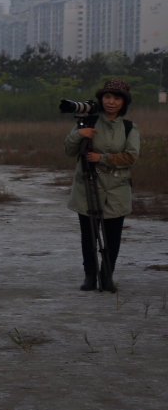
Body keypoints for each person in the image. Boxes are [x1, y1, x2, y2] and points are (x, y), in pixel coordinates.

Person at [64, 79, 139, 293]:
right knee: (89, 236)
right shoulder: (88, 122)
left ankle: (107, 276)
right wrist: (78, 134)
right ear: (101, 99)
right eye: (107, 97)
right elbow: (68, 151)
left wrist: (102, 158)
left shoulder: (129, 127)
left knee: (112, 237)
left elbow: (131, 156)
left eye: (116, 98)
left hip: (117, 190)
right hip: (87, 189)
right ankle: (90, 276)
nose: (111, 102)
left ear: (123, 102)